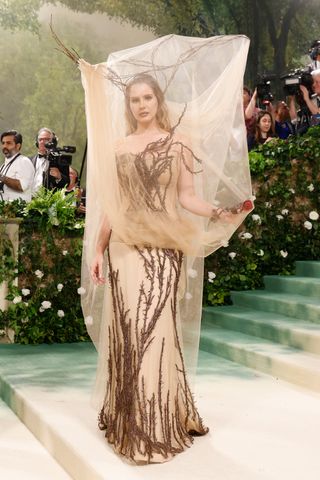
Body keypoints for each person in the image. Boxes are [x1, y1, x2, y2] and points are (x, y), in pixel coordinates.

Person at [77, 34, 253, 465]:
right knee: (130, 331)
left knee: (155, 331)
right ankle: (129, 421)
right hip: (123, 249)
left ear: (157, 101)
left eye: (147, 97)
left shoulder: (178, 143)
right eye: (134, 99)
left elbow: (187, 197)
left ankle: (155, 423)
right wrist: (97, 250)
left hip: (163, 249)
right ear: (129, 105)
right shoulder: (118, 148)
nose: (140, 105)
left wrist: (219, 211)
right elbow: (111, 210)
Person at [30, 127, 69, 195]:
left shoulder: (61, 159)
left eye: (47, 139)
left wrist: (59, 176)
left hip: (50, 202)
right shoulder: (29, 160)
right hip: (29, 201)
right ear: (37, 142)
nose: (43, 142)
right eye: (40, 139)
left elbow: (67, 183)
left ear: (53, 142)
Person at [0, 130, 34, 202]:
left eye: (9, 143)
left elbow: (22, 186)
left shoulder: (24, 161)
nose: (5, 146)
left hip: (19, 211)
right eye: (3, 143)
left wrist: (1, 177)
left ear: (18, 146)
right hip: (5, 211)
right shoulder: (3, 165)